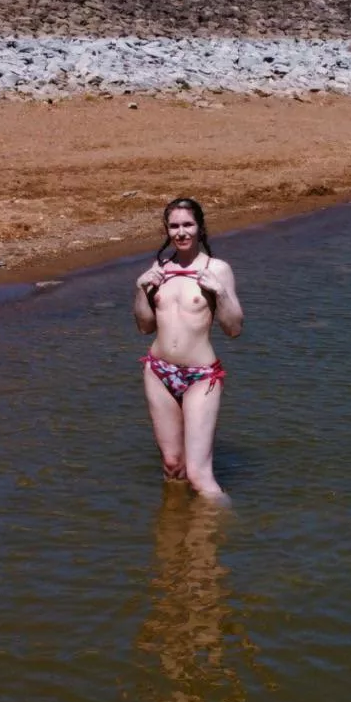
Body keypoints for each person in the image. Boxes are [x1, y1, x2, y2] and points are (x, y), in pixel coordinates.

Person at [133, 198, 243, 500]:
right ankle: (173, 537)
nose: (181, 232)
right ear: (167, 230)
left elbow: (233, 329)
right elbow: (144, 327)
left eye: (187, 225)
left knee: (198, 475)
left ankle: (226, 532)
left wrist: (220, 294)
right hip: (158, 372)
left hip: (200, 377)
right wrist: (141, 290)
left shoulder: (217, 270)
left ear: (200, 227)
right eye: (174, 226)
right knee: (172, 466)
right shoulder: (159, 270)